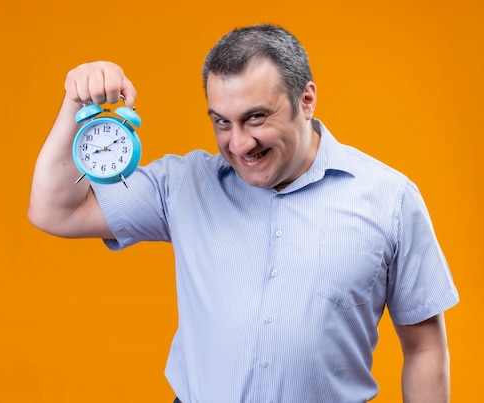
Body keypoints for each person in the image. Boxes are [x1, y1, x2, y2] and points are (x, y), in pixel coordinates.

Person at [29, 24, 458, 403]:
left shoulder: (390, 199)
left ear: (306, 100)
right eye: (221, 122)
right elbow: (53, 211)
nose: (238, 144)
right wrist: (74, 105)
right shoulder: (182, 185)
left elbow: (423, 347)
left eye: (256, 118)